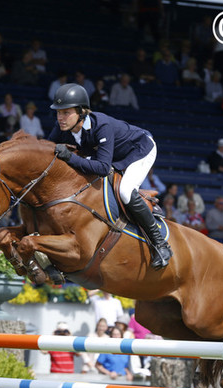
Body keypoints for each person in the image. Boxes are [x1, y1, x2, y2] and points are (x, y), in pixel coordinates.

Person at [48, 83, 172, 268]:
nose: (60, 118)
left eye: (66, 113)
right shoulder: (63, 127)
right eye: (58, 112)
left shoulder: (101, 126)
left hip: (139, 150)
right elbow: (47, 149)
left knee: (125, 191)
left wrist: (70, 159)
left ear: (81, 112)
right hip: (112, 156)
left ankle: (160, 244)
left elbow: (103, 168)